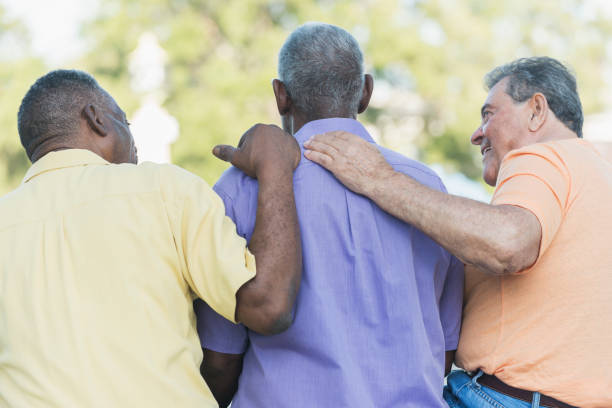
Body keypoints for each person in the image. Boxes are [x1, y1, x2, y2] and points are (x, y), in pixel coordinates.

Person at [304, 57, 612, 407]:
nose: (476, 134)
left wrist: (378, 179)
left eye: (489, 114)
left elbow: (508, 242)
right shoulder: (598, 175)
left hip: (500, 397)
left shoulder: (543, 157)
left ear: (536, 110)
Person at [194, 22, 463, 408]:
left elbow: (220, 359)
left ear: (280, 96)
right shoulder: (427, 188)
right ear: (365, 92)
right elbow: (444, 349)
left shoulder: (241, 187)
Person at [0, 69, 303, 407]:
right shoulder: (162, 189)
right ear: (96, 118)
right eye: (126, 124)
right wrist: (274, 162)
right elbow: (269, 306)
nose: (135, 146)